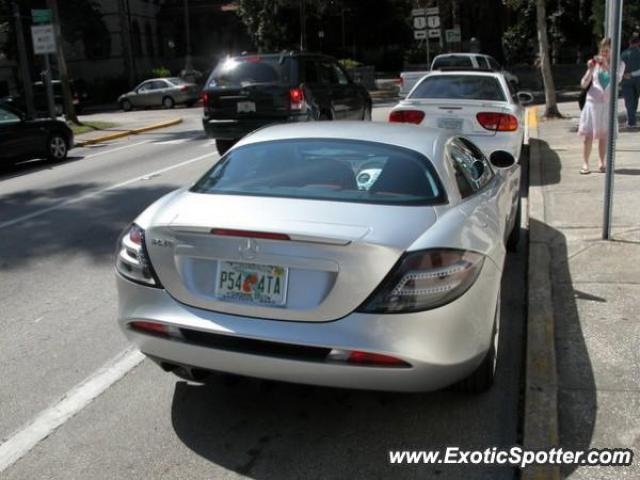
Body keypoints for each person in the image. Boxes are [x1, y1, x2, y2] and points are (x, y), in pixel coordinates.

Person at [578, 38, 626, 174]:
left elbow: (617, 80)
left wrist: (606, 66)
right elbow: (583, 84)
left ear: (613, 51)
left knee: (604, 136)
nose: (604, 53)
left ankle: (601, 162)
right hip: (592, 103)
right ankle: (585, 164)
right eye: (602, 50)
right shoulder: (596, 65)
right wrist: (590, 69)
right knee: (588, 136)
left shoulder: (620, 64)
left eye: (607, 50)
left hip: (607, 105)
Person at [621, 33, 640, 129]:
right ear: (638, 43)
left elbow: (619, 68)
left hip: (626, 81)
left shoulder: (623, 54)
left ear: (629, 43)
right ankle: (632, 119)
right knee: (635, 99)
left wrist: (623, 76)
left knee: (629, 101)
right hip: (638, 80)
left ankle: (631, 121)